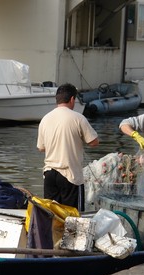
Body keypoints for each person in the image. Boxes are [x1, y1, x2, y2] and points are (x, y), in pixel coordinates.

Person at [37, 83, 99, 211]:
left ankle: (53, 232)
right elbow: (94, 142)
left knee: (51, 214)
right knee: (73, 217)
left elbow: (41, 148)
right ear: (72, 99)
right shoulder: (78, 118)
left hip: (49, 174)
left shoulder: (45, 119)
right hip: (69, 175)